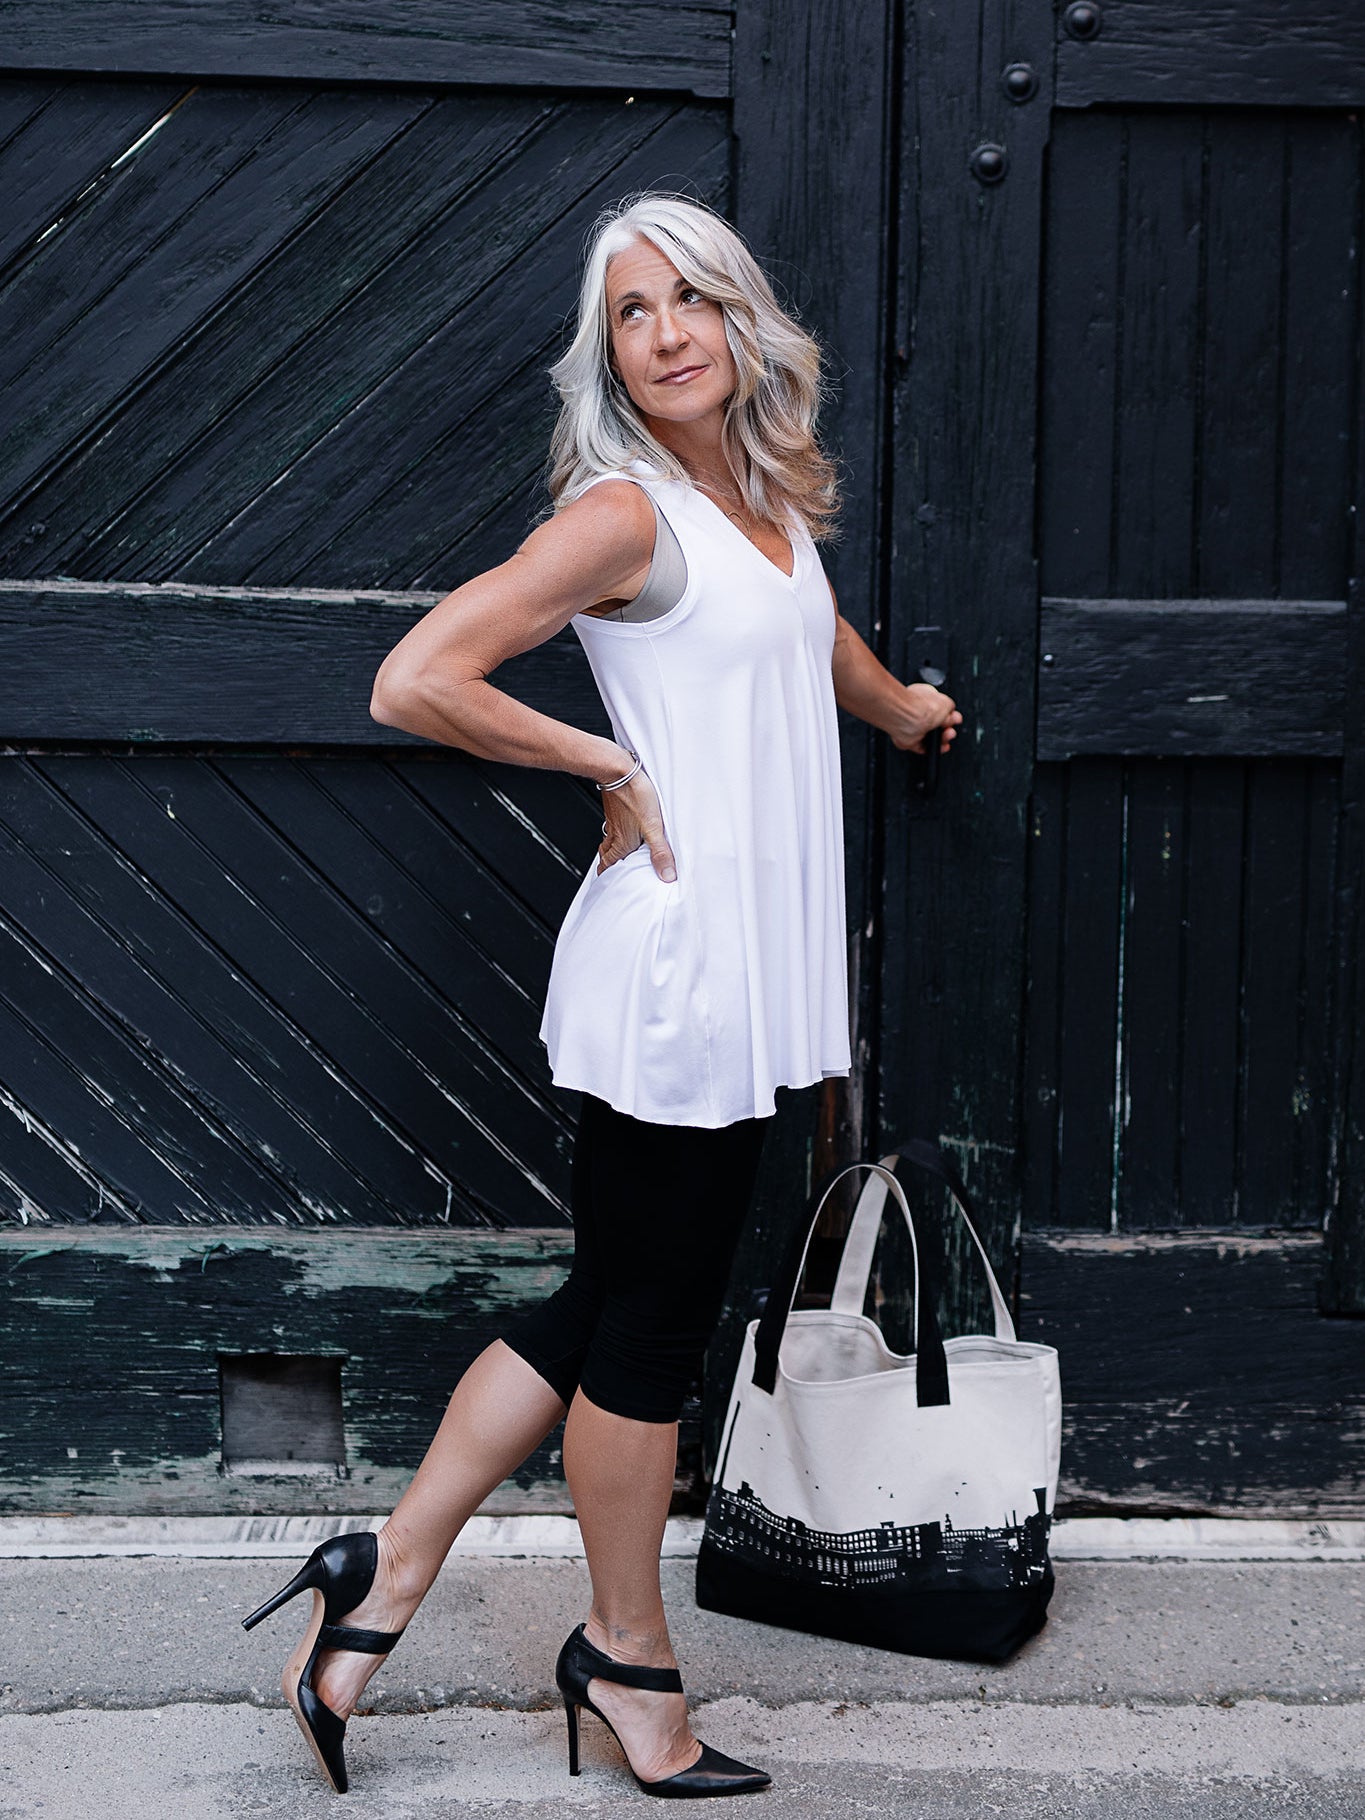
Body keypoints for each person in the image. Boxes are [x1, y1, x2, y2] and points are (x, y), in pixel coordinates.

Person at [239, 190, 960, 1799]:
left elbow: (806, 632)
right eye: (630, 315)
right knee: (648, 1333)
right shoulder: (622, 516)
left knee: (597, 1303)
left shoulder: (759, 501)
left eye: (688, 300)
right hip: (678, 973)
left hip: (736, 965)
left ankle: (379, 1582)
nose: (664, 335)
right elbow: (414, 674)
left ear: (740, 318)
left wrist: (902, 709)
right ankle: (628, 1663)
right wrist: (598, 763)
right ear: (609, 357)